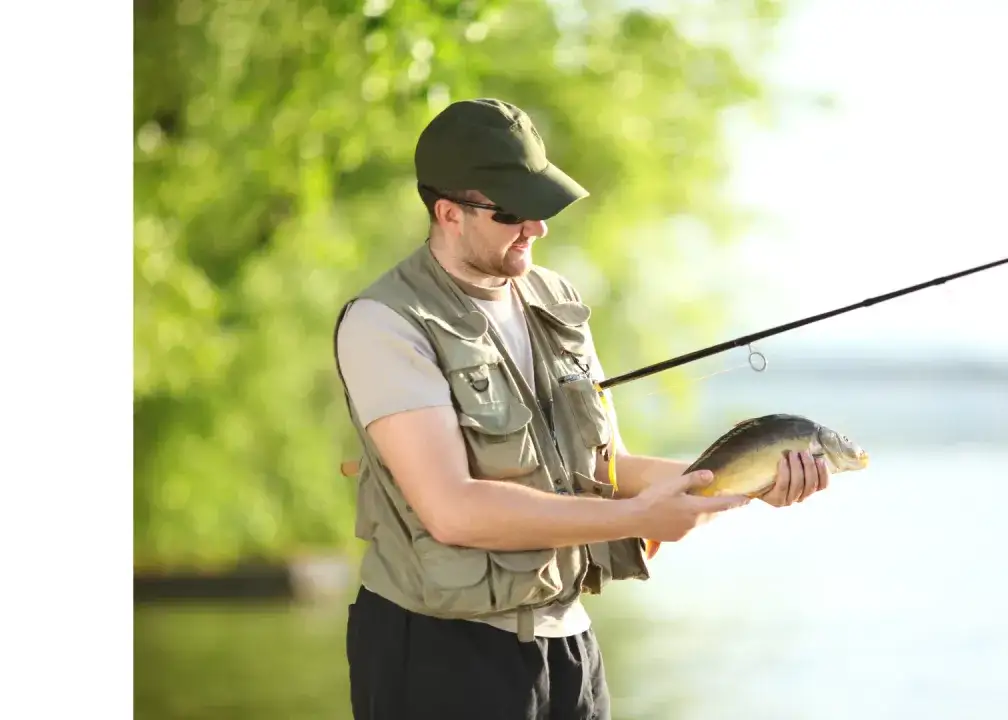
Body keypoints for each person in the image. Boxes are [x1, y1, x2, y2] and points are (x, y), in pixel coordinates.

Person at [333, 97, 831, 720]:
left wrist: (742, 485)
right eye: (512, 211)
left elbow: (610, 467)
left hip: (570, 649)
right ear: (448, 213)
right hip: (441, 652)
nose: (536, 228)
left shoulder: (556, 298)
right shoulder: (386, 323)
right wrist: (636, 519)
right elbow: (453, 509)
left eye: (543, 207)